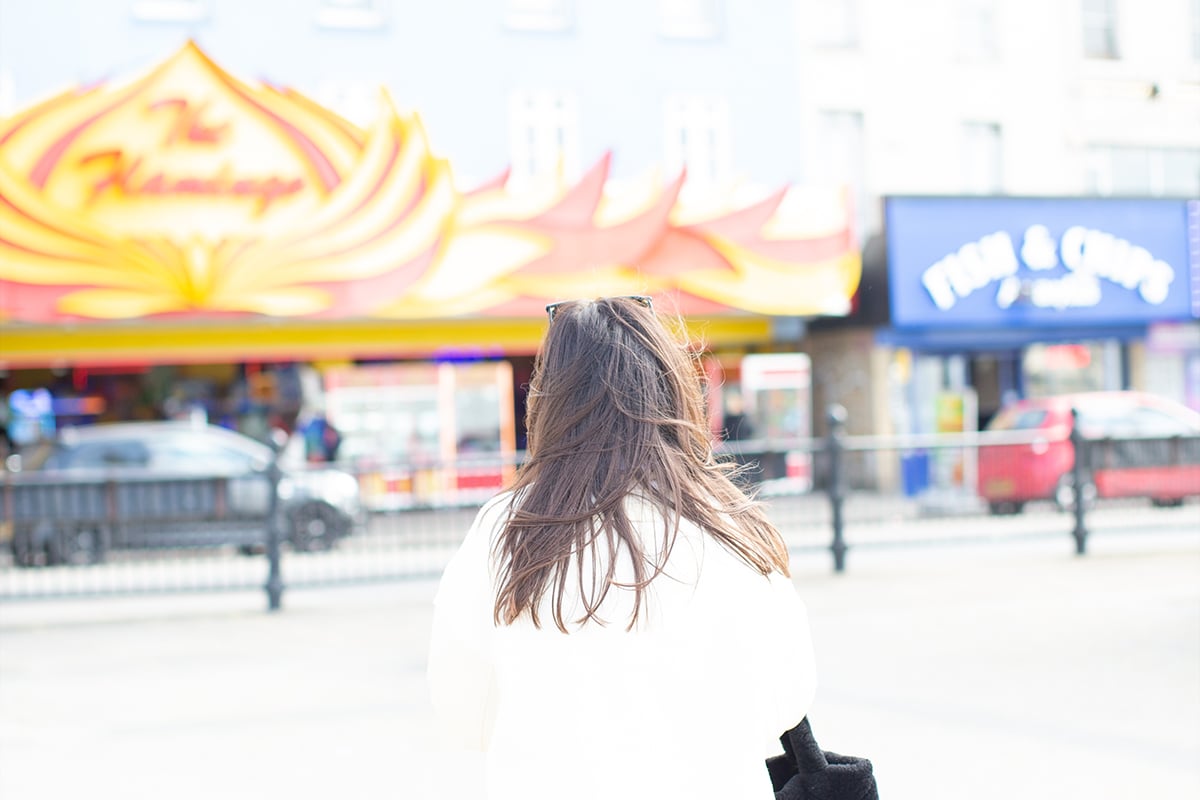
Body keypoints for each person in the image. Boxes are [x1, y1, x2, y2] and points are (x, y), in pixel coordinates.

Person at [427, 296, 817, 800]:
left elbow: (461, 706)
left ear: (548, 400)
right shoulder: (730, 523)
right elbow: (786, 701)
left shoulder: (505, 529)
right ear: (671, 390)